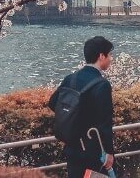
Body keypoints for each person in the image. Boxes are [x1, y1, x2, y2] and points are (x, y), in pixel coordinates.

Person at [48, 36, 117, 177]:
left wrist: (74, 118)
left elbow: (53, 102)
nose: (111, 58)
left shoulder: (70, 78)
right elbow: (105, 123)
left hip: (72, 146)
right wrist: (109, 152)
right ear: (101, 56)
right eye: (109, 54)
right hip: (94, 150)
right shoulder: (101, 85)